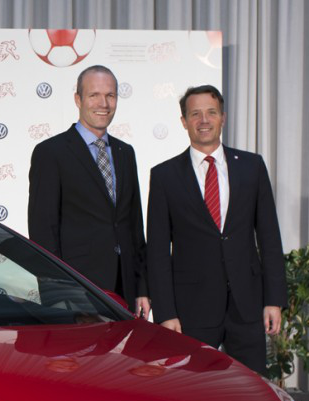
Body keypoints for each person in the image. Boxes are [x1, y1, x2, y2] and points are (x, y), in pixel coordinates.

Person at [146, 85, 287, 373]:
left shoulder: (252, 166)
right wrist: (165, 313)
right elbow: (157, 250)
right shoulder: (164, 176)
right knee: (192, 391)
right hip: (191, 310)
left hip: (246, 306)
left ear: (223, 117)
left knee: (250, 391)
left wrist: (274, 300)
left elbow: (269, 237)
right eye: (195, 114)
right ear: (184, 121)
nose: (204, 120)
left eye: (211, 112)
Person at [28, 64, 150, 317]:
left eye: (110, 95)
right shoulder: (51, 153)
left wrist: (142, 287)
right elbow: (43, 231)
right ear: (78, 99)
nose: (103, 103)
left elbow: (134, 227)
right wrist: (58, 293)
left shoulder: (125, 153)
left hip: (124, 288)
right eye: (94, 95)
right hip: (76, 291)